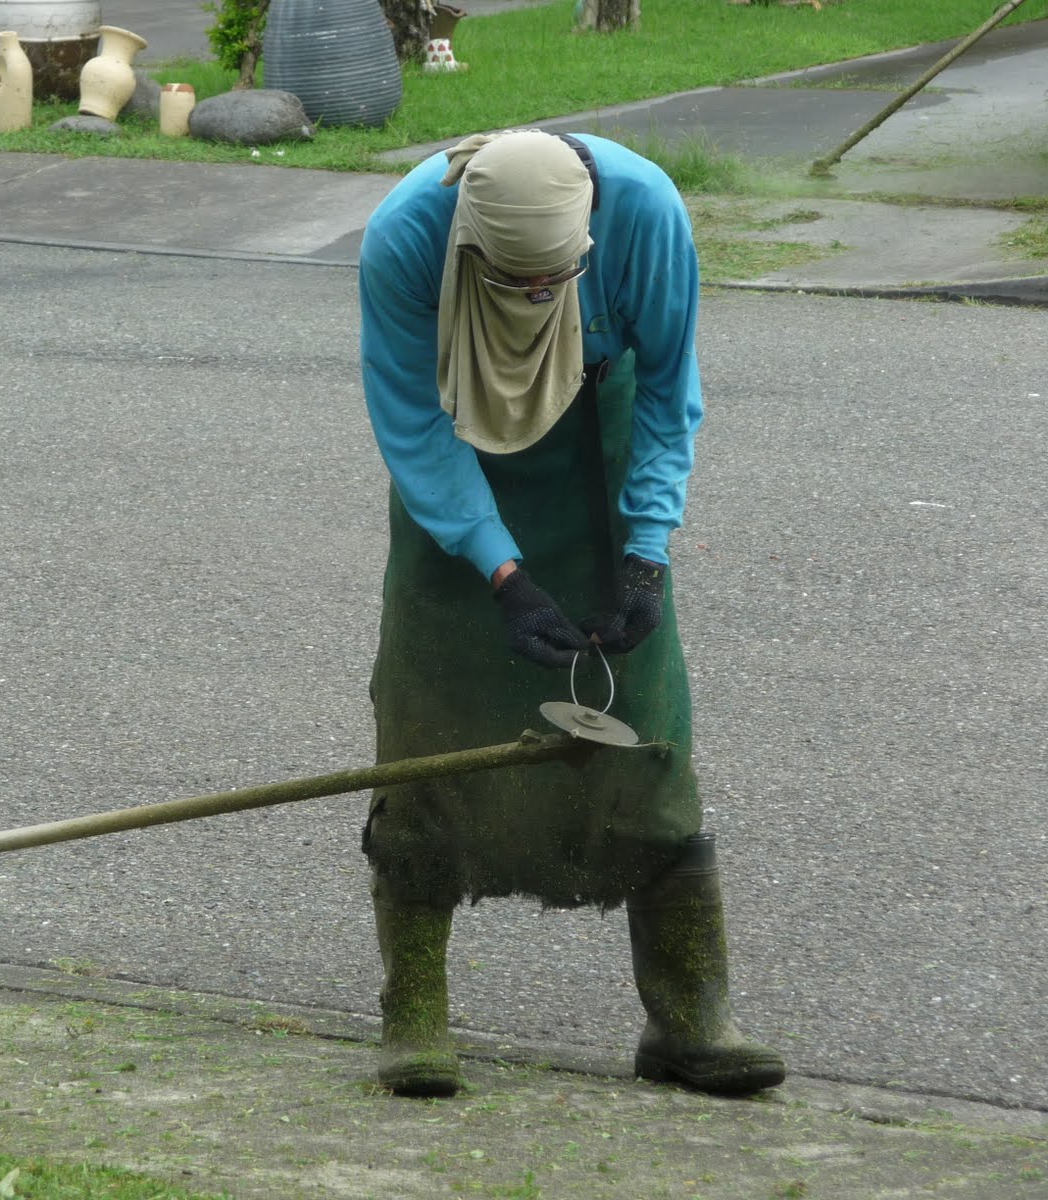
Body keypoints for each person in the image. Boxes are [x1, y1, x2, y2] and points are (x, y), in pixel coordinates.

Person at [357, 129, 784, 1098]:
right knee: (424, 726)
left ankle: (689, 1019)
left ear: (586, 244)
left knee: (649, 731)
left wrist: (644, 554)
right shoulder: (404, 238)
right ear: (468, 247)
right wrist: (499, 572)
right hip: (455, 466)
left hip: (602, 447)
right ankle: (413, 1015)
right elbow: (410, 421)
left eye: (552, 286)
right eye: (510, 286)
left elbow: (673, 391)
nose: (533, 306)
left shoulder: (647, 216)